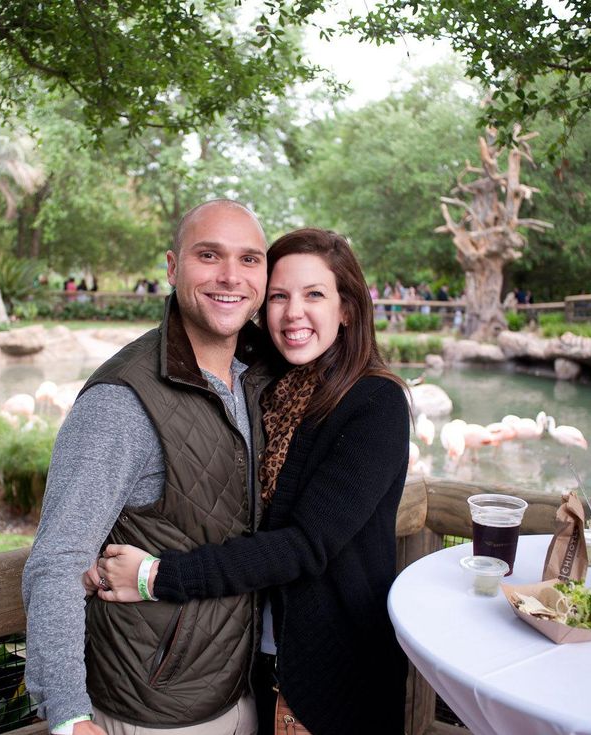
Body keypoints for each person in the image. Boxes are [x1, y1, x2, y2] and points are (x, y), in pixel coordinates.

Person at [90, 229, 411, 735]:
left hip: (326, 680)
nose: (293, 313)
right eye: (279, 296)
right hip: (246, 667)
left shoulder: (374, 405)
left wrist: (158, 576)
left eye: (314, 295)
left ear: (347, 308)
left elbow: (305, 545)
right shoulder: (268, 386)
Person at [22, 199, 272, 735]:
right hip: (153, 711)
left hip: (238, 690)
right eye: (210, 255)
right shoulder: (123, 401)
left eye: (250, 259)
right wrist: (68, 715)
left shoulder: (257, 379)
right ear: (172, 266)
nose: (231, 276)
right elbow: (57, 561)